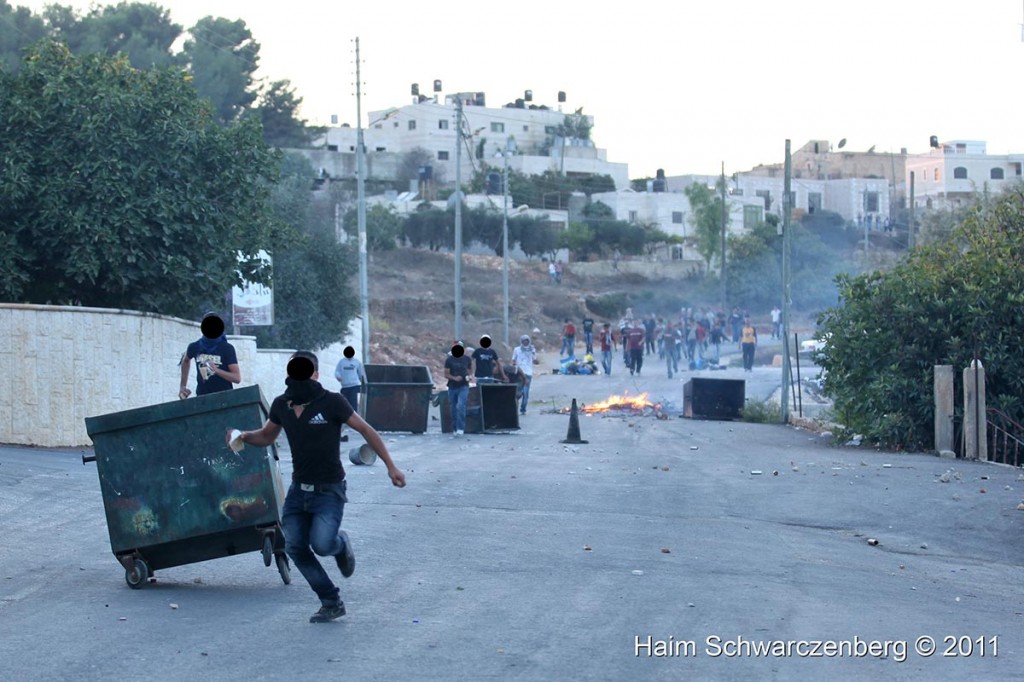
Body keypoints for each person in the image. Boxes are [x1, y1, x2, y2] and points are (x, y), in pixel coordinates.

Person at [225, 351, 405, 623]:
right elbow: (266, 436)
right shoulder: (282, 405)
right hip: (299, 492)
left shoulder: (332, 402)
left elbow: (366, 430)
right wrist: (243, 437)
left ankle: (340, 543)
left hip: (329, 490)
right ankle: (331, 601)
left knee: (322, 544)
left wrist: (391, 466)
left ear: (316, 374)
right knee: (296, 547)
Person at [178, 312, 240, 399]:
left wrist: (216, 370)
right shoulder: (195, 346)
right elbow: (185, 360)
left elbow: (237, 378)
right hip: (202, 398)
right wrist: (182, 386)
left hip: (225, 398)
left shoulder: (227, 348)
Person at [444, 342, 472, 436]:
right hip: (452, 386)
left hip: (464, 386)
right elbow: (446, 374)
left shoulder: (467, 359)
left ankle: (461, 428)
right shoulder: (449, 360)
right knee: (453, 408)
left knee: (461, 406)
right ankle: (455, 427)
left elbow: (469, 371)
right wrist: (454, 378)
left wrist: (469, 377)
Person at [333, 346, 367, 415]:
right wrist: (338, 377)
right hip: (345, 386)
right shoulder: (341, 362)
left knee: (353, 402)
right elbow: (337, 371)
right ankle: (345, 417)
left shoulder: (356, 362)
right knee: (344, 402)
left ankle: (354, 417)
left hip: (354, 385)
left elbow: (360, 374)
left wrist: (363, 383)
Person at [510, 334, 536, 415]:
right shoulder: (517, 349)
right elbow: (513, 360)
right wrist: (514, 369)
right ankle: (514, 407)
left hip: (528, 373)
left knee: (526, 392)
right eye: (524, 340)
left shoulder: (532, 349)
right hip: (519, 373)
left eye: (527, 340)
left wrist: (533, 353)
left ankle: (523, 408)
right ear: (521, 341)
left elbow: (535, 360)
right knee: (518, 392)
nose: (525, 342)